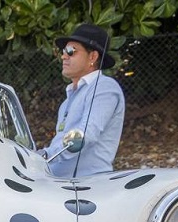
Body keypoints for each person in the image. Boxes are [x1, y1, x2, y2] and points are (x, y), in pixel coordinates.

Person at [40, 23, 125, 177]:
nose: (63, 56)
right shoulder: (67, 101)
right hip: (56, 185)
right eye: (64, 51)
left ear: (92, 56)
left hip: (87, 188)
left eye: (71, 51)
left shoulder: (104, 87)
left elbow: (86, 134)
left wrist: (45, 156)